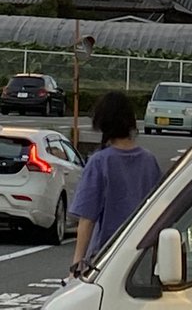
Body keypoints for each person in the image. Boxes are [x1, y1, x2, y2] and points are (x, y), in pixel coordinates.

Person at [68, 91, 162, 277]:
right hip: (143, 259)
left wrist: (77, 265)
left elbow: (87, 219)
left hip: (106, 258)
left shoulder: (99, 162)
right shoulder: (149, 161)